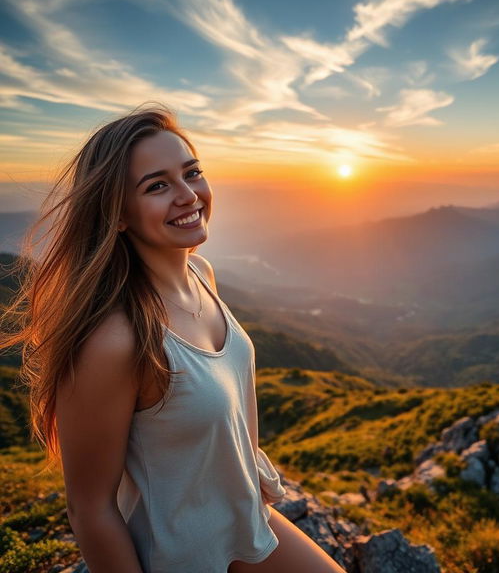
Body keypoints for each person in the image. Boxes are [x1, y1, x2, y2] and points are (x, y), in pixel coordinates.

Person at [0, 103, 347, 573]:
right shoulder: (116, 339)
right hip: (182, 555)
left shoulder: (201, 274)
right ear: (118, 214)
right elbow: (90, 509)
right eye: (157, 186)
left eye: (192, 173)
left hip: (244, 519)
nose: (188, 195)